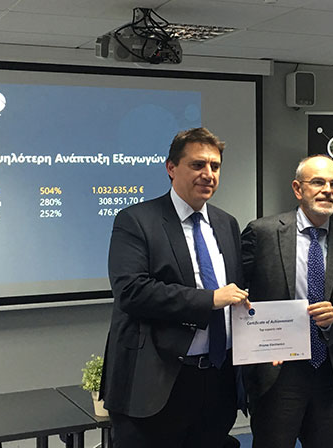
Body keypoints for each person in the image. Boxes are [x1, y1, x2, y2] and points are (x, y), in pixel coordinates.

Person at [99, 127, 248, 448]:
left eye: (215, 166)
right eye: (197, 165)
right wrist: (210, 299)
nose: (208, 174)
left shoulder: (226, 224)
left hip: (216, 382)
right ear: (171, 168)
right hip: (157, 383)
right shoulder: (136, 220)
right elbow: (131, 291)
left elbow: (238, 294)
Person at [240, 154, 333, 448]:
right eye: (318, 182)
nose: (327, 190)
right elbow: (237, 293)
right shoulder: (262, 232)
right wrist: (256, 343)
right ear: (298, 189)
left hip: (327, 373)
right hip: (277, 371)